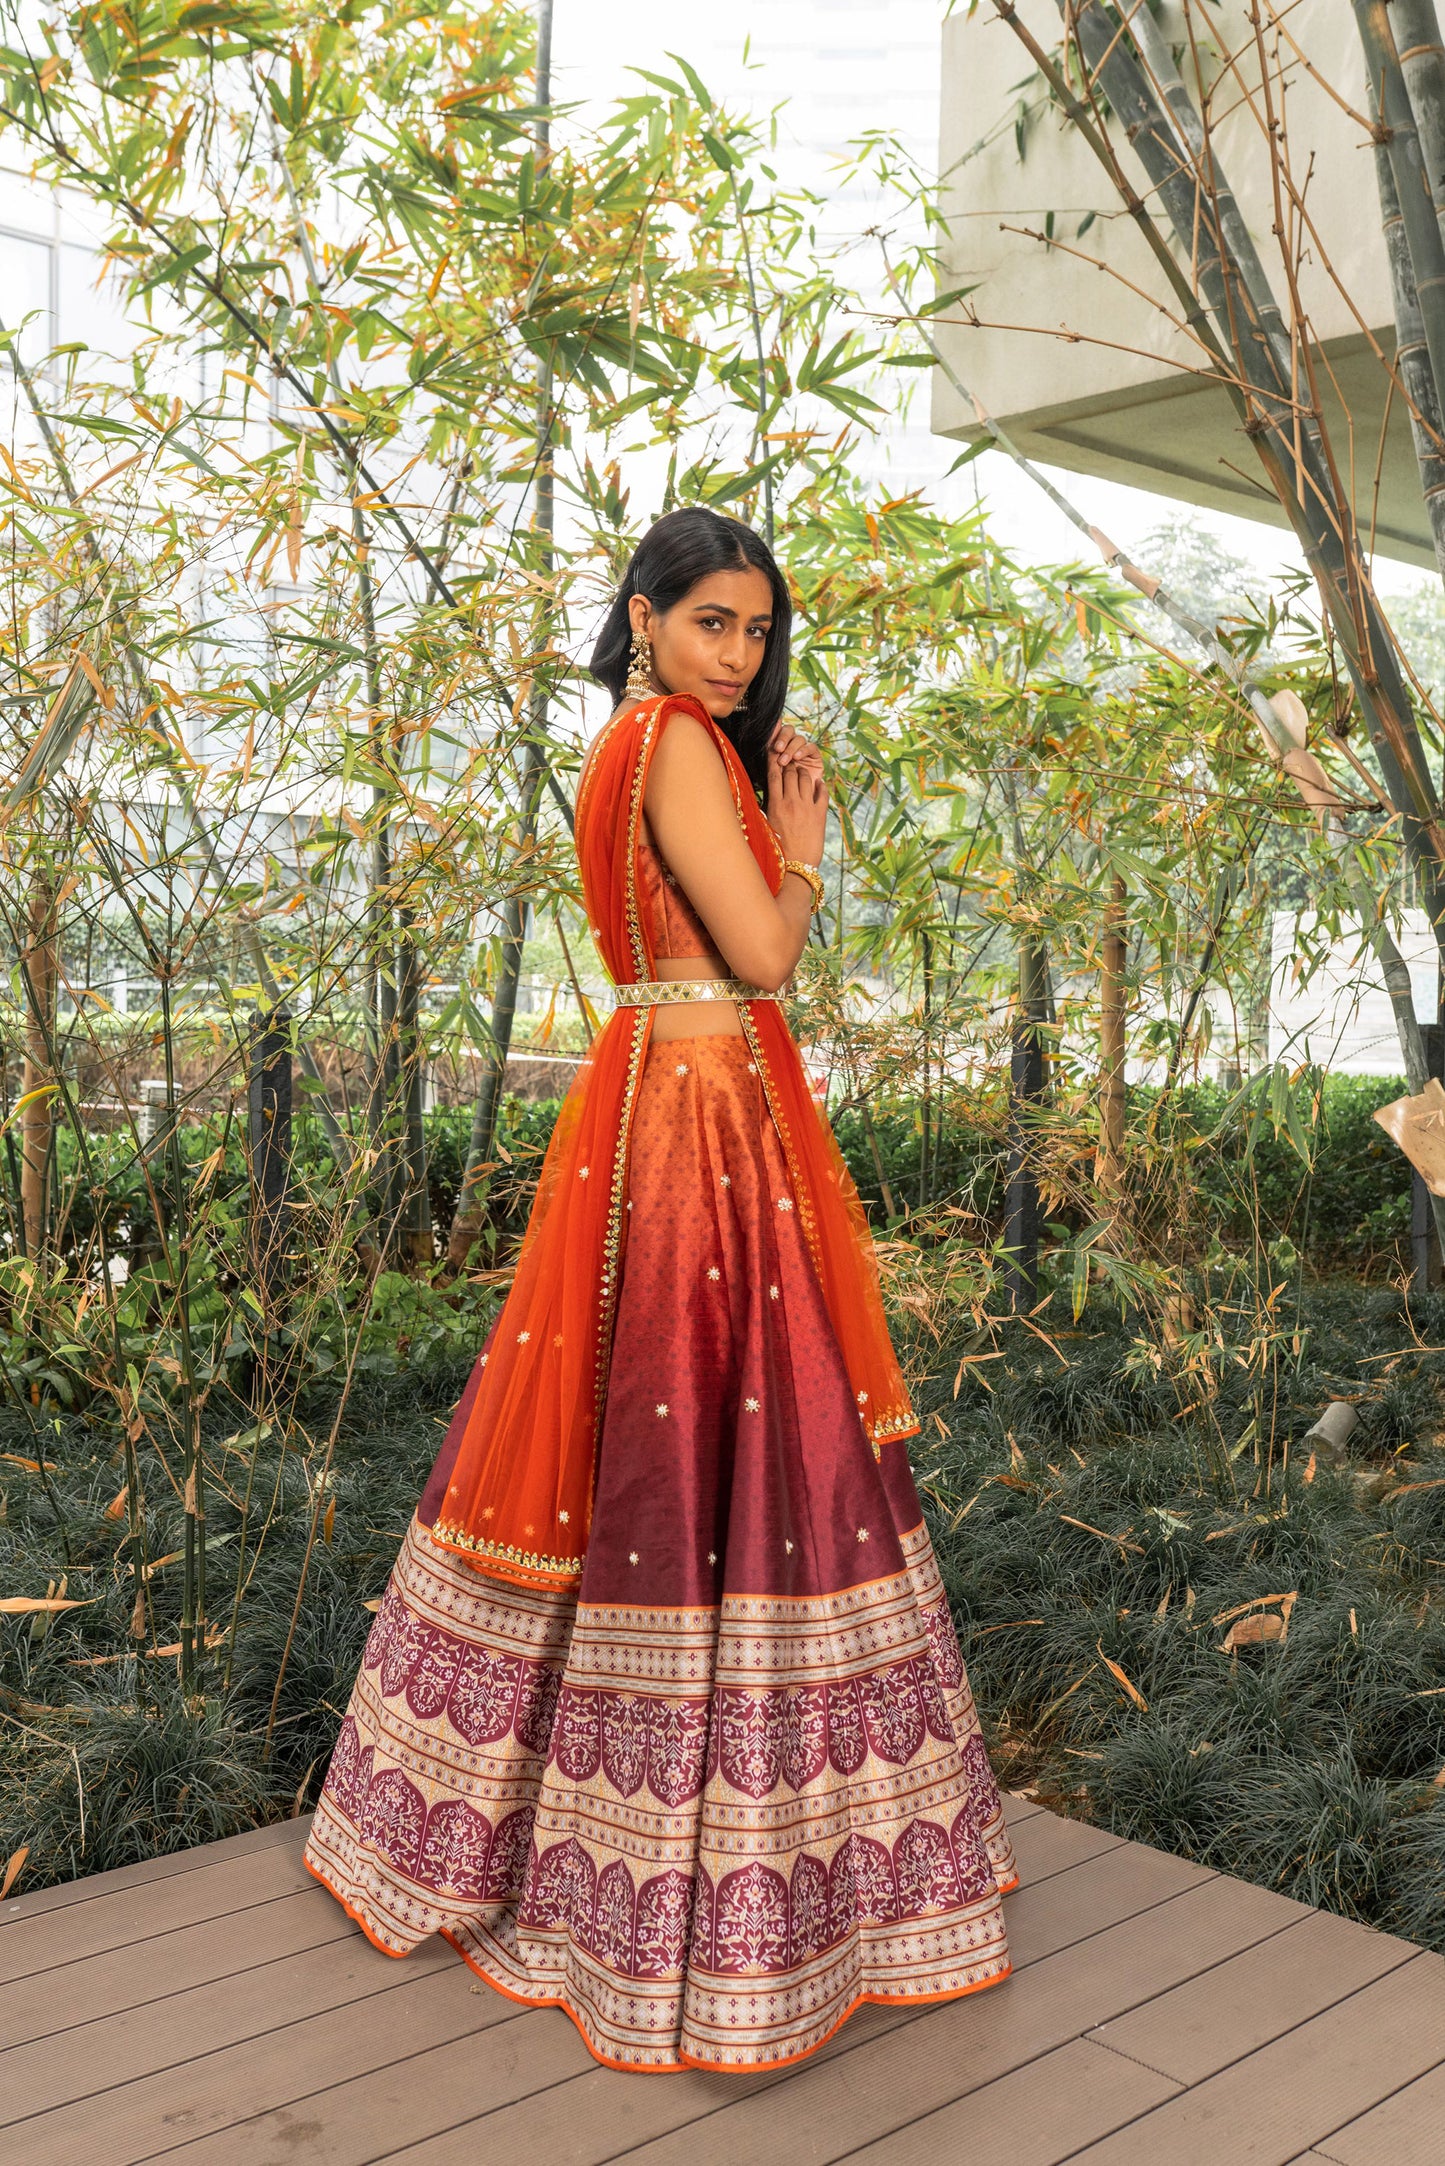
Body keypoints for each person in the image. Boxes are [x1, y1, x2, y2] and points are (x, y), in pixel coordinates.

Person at [303, 505, 1016, 2073]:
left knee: (631, 1440)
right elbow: (760, 954)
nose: (740, 653)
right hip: (700, 1124)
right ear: (642, 615)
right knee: (725, 1445)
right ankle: (707, 1871)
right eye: (713, 621)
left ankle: (543, 1824)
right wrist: (809, 849)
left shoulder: (626, 746)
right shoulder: (677, 743)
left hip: (652, 1096)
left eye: (758, 629)